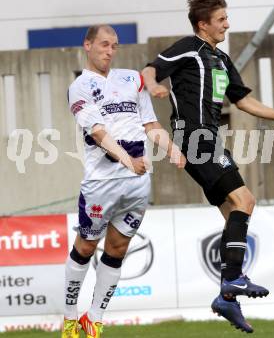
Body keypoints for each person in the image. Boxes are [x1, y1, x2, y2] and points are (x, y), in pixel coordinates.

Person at [141, 0, 274, 333]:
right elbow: (150, 69)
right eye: (221, 19)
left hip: (210, 138)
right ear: (203, 24)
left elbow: (244, 101)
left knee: (233, 213)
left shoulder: (220, 58)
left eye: (226, 18)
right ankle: (233, 280)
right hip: (194, 137)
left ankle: (227, 299)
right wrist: (151, 86)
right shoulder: (188, 47)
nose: (227, 24)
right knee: (245, 201)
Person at [62, 25, 186, 338]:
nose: (109, 50)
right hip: (103, 182)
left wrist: (172, 150)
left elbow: (150, 123)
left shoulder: (132, 78)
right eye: (104, 44)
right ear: (87, 45)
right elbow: (98, 133)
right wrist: (128, 160)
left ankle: (94, 320)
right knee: (87, 245)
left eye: (114, 45)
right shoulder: (80, 87)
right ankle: (68, 317)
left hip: (137, 182)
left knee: (117, 248)